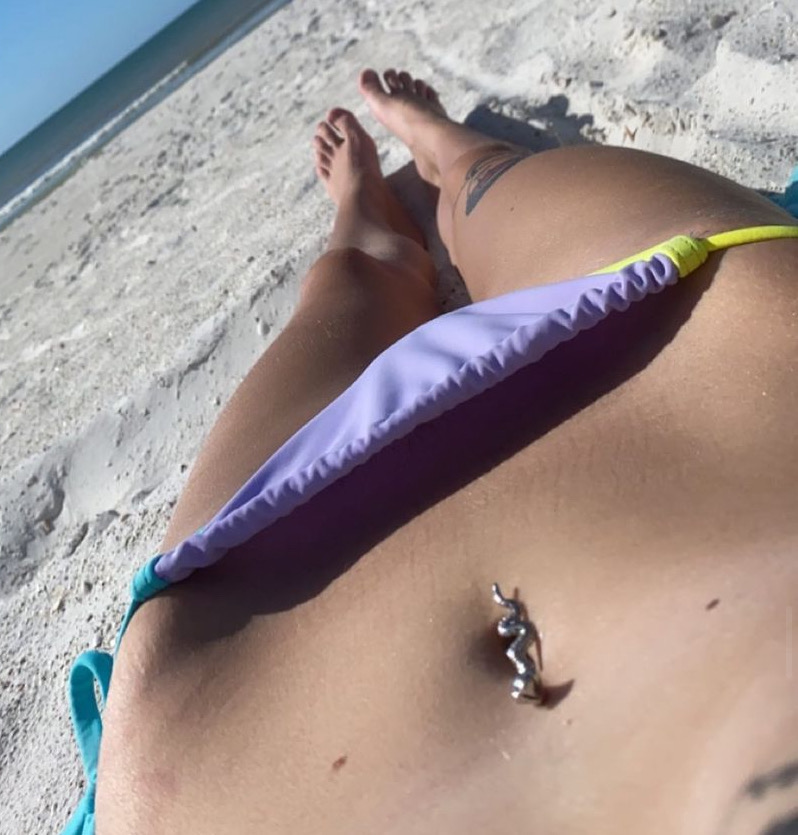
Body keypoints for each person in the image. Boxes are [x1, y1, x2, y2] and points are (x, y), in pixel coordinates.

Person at [74, 69, 798, 835]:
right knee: (486, 180)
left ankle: (374, 214)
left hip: (255, 577)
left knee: (353, 280)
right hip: (683, 334)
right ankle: (444, 154)